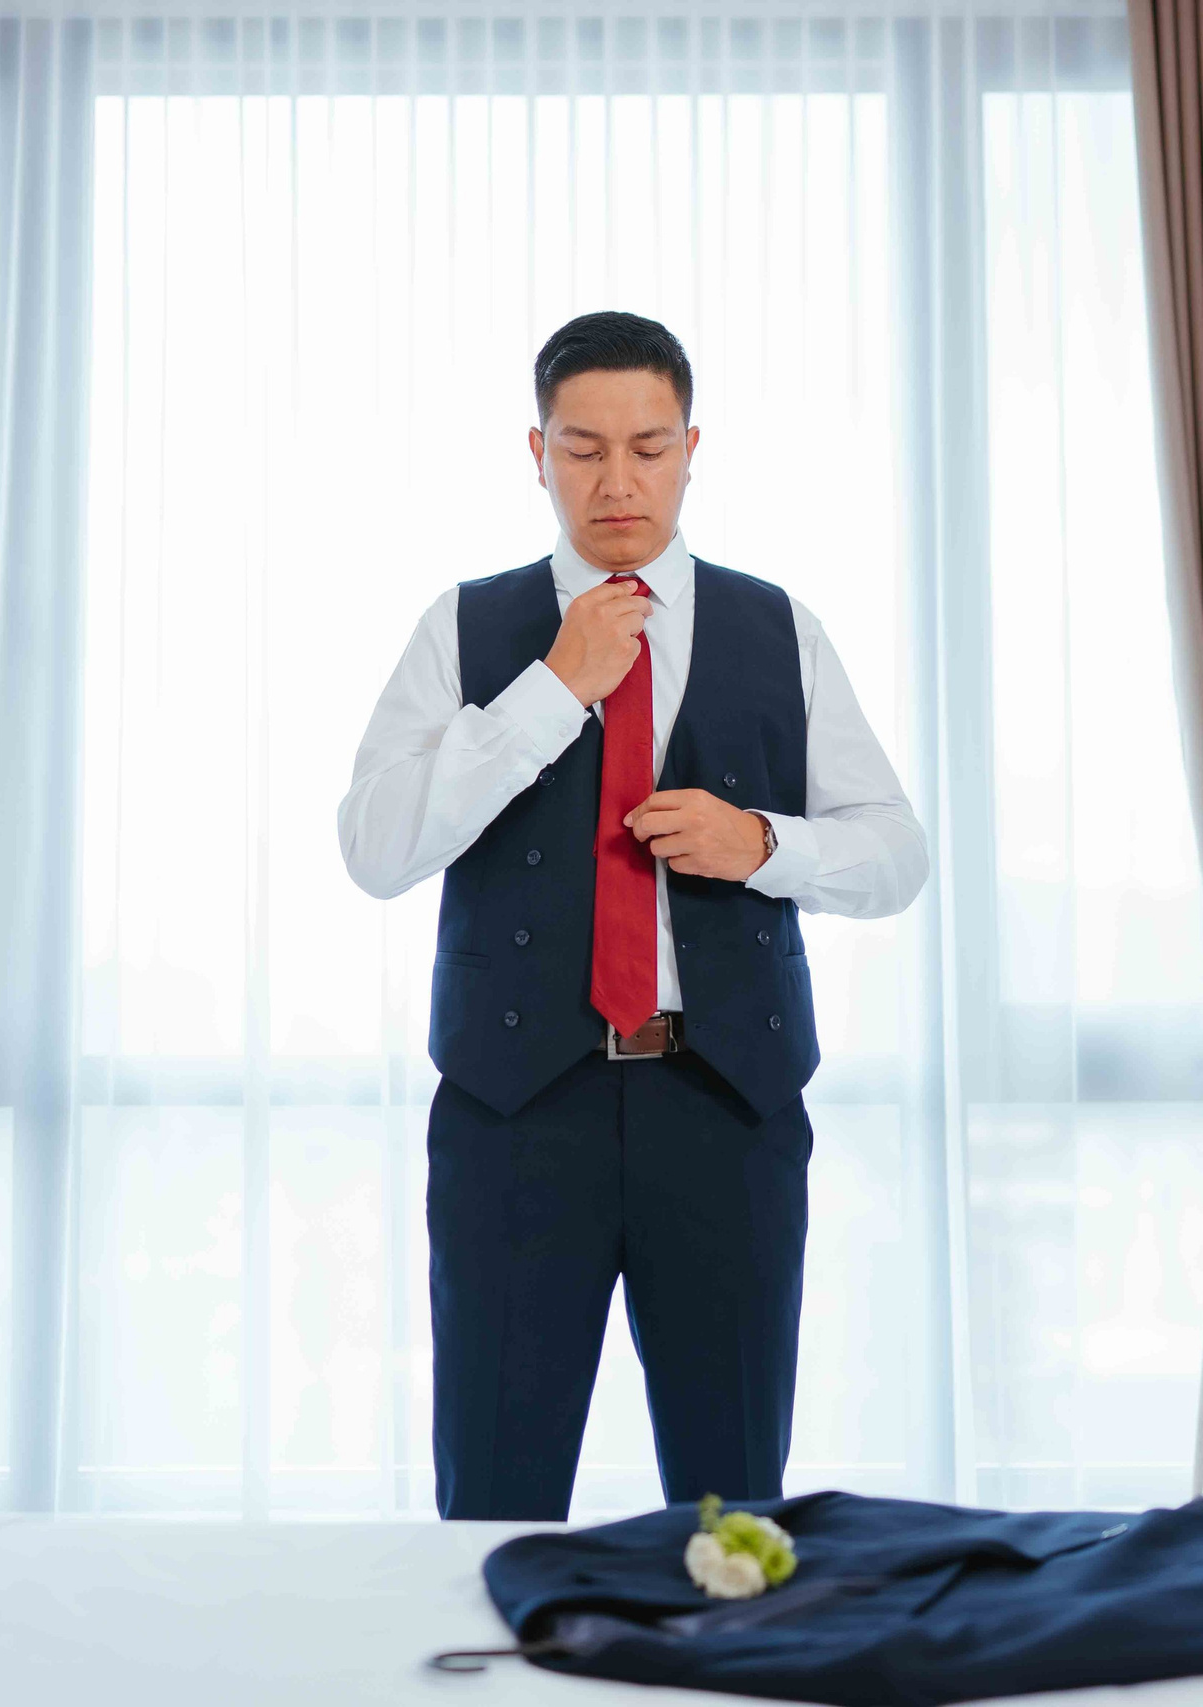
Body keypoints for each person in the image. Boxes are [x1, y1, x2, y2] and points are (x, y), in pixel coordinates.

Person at [337, 310, 928, 1520]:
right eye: (584, 447)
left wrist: (761, 844)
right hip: (514, 1120)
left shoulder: (781, 627)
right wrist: (552, 692)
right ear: (537, 452)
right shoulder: (464, 628)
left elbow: (895, 855)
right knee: (493, 1497)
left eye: (649, 447)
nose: (618, 481)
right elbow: (374, 847)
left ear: (692, 447)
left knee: (732, 1504)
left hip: (726, 1112)